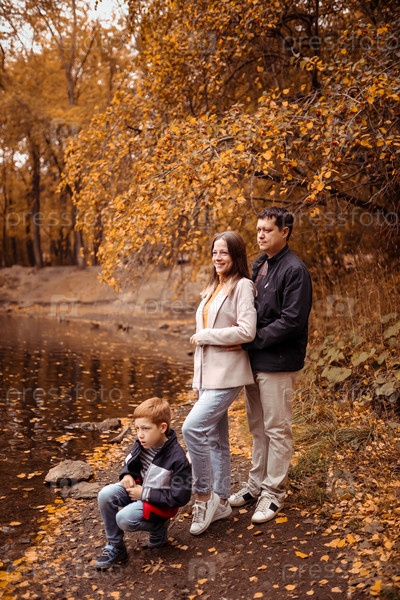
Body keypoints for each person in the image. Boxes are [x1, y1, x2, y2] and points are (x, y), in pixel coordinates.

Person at [228, 206, 312, 523]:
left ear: (284, 232)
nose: (260, 235)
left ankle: (274, 493)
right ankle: (256, 486)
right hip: (255, 360)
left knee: (277, 429)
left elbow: (291, 321)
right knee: (257, 427)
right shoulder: (260, 264)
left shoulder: (295, 270)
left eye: (267, 230)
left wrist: (249, 340)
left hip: (278, 362)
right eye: (258, 230)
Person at [182, 231, 257, 536]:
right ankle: (223, 502)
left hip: (228, 375)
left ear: (235, 255)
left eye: (224, 252)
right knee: (215, 439)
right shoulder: (213, 287)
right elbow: (202, 340)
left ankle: (203, 497)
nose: (217, 257)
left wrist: (208, 336)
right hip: (207, 376)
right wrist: (196, 379)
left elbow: (247, 331)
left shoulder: (243, 286)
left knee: (191, 428)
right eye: (214, 252)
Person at [94, 397, 192, 570]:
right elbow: (129, 461)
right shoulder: (142, 443)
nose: (140, 434)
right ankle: (116, 547)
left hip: (159, 504)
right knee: (105, 495)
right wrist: (126, 474)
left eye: (145, 428)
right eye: (137, 428)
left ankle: (159, 526)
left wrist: (144, 493)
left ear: (162, 427)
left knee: (123, 519)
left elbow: (181, 496)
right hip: (139, 490)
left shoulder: (177, 458)